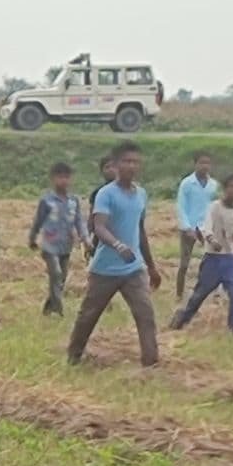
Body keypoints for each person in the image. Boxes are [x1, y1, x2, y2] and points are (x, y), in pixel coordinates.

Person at [67, 141, 162, 367]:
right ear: (116, 165)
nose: (132, 166)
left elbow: (139, 230)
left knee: (145, 314)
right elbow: (99, 226)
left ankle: (151, 364)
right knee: (89, 316)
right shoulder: (105, 194)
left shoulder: (141, 194)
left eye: (136, 162)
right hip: (105, 270)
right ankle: (73, 356)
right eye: (127, 161)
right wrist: (118, 246)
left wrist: (151, 266)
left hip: (133, 268)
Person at [170, 175, 233, 335]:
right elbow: (206, 227)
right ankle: (181, 320)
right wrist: (212, 240)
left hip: (229, 259)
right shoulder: (214, 207)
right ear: (225, 189)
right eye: (231, 186)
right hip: (213, 258)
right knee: (199, 295)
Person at [29, 162, 89, 317]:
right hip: (50, 244)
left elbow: (78, 221)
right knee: (55, 273)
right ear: (53, 179)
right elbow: (38, 221)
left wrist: (85, 238)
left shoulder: (73, 201)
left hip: (66, 245)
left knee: (61, 277)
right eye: (60, 177)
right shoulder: (47, 200)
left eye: (67, 177)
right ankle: (58, 309)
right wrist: (33, 238)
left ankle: (49, 307)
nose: (64, 181)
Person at [174, 152, 218, 298]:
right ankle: (179, 295)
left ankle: (210, 294)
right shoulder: (187, 184)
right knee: (185, 264)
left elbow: (215, 206)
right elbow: (181, 206)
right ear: (195, 164)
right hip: (190, 227)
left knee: (212, 261)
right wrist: (187, 228)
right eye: (201, 163)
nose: (204, 166)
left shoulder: (213, 185)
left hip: (207, 227)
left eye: (207, 163)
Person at [87, 155, 116, 256]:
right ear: (102, 172)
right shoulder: (97, 193)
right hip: (101, 238)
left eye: (114, 166)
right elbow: (92, 218)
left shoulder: (130, 191)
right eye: (107, 167)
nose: (111, 170)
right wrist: (88, 238)